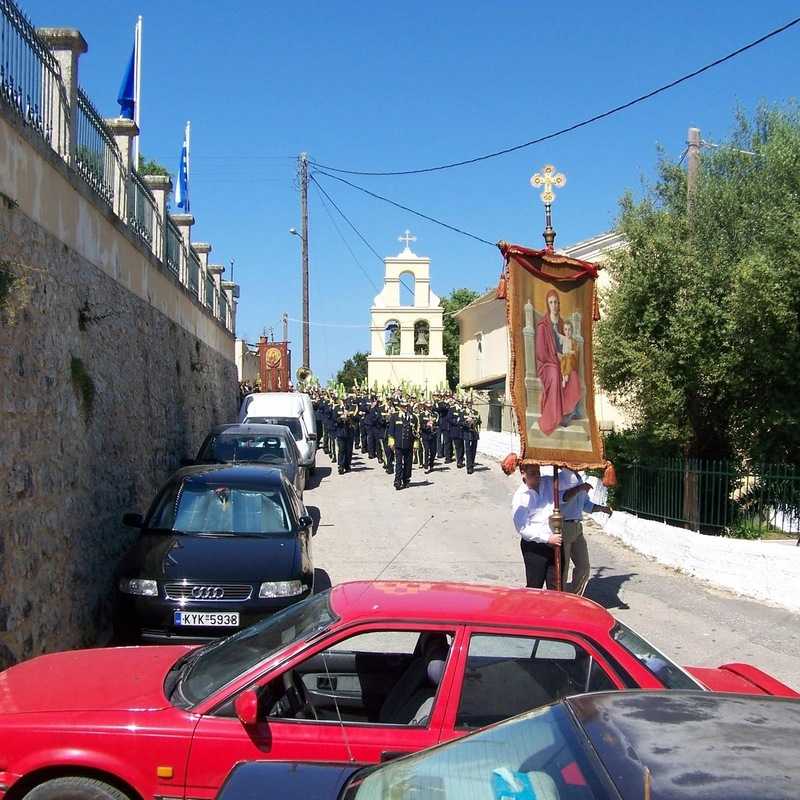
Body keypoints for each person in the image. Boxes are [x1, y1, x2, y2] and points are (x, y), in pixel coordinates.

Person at [535, 289, 581, 436]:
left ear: (558, 304)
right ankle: (553, 417)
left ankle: (568, 412)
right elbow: (540, 352)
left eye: (556, 302)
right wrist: (556, 356)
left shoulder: (562, 323)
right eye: (551, 302)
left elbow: (567, 342)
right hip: (547, 364)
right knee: (555, 374)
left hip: (562, 361)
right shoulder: (543, 325)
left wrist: (566, 356)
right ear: (547, 305)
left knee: (572, 374)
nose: (553, 305)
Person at [559, 468, 612, 595]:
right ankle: (559, 598)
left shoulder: (579, 478)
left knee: (583, 567)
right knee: (562, 569)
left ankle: (575, 596)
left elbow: (585, 504)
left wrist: (602, 508)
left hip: (577, 527)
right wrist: (580, 488)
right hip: (563, 526)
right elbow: (562, 498)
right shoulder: (561, 477)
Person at [511, 463, 563, 589]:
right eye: (532, 473)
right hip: (535, 547)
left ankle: (552, 609)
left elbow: (571, 481)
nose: (537, 477)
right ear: (523, 474)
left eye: (538, 473)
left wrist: (564, 464)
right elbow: (523, 528)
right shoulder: (520, 497)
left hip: (555, 543)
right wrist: (547, 539)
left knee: (556, 586)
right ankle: (531, 609)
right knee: (535, 586)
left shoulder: (547, 483)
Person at [387, 401, 415, 490]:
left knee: (408, 463)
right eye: (403, 406)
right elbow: (391, 430)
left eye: (406, 406)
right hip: (399, 444)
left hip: (409, 444)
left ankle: (406, 479)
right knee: (398, 463)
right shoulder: (395, 416)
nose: (405, 408)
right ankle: (397, 480)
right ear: (400, 407)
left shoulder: (413, 417)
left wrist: (416, 444)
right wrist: (391, 442)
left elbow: (416, 433)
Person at [558, 321, 578, 389]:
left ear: (572, 331)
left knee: (568, 360)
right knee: (563, 364)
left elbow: (575, 352)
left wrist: (571, 352)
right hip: (564, 357)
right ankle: (564, 378)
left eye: (569, 329)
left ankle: (566, 375)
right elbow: (557, 335)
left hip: (571, 359)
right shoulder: (563, 339)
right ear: (564, 331)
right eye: (566, 329)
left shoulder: (573, 341)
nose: (568, 332)